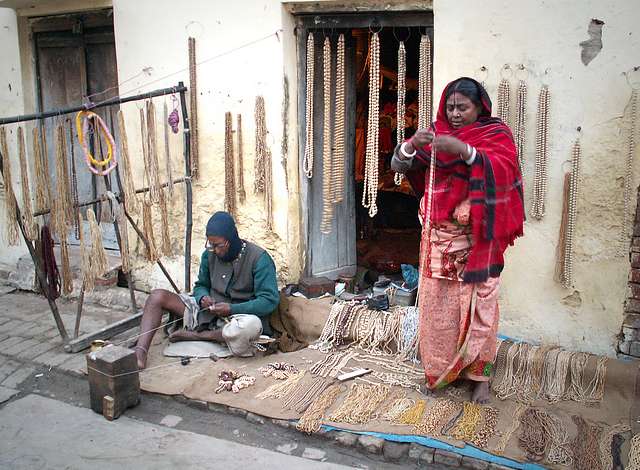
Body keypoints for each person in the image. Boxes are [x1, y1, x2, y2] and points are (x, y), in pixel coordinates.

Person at [391, 77, 524, 403]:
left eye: (462, 107)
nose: (454, 114)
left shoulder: (495, 135)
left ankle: (481, 378)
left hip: (479, 243)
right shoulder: (436, 135)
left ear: (480, 108)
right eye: (449, 107)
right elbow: (397, 164)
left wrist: (464, 151)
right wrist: (409, 146)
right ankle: (440, 373)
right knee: (438, 312)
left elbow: (503, 170)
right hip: (438, 240)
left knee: (481, 311)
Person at [133, 211, 279, 369]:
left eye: (218, 245)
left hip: (238, 318)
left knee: (251, 325)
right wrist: (202, 298)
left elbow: (269, 301)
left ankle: (200, 336)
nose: (215, 250)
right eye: (211, 245)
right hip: (208, 313)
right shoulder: (208, 255)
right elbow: (200, 286)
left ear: (232, 239)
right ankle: (140, 353)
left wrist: (231, 308)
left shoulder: (259, 259)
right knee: (157, 296)